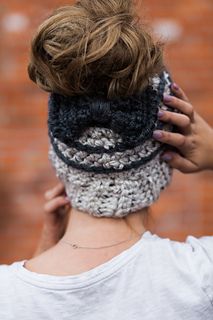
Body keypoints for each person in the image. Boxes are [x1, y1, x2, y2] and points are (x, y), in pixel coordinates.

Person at [0, 1, 212, 319]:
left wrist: (42, 258)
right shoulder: (201, 278)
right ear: (171, 141)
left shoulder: (7, 296)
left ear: (59, 149)